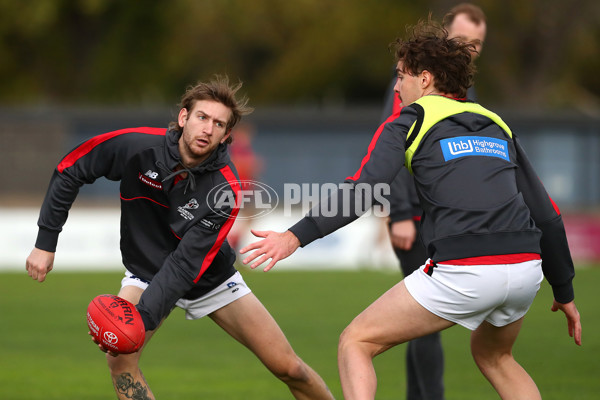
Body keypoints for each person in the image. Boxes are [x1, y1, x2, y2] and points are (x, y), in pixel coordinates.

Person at [240, 18, 582, 400]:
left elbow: (362, 192)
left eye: (401, 76)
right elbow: (547, 214)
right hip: (525, 269)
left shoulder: (408, 120)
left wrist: (293, 236)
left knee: (356, 341)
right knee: (496, 357)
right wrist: (564, 292)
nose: (396, 86)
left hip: (465, 269)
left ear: (424, 79)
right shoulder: (495, 122)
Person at [25, 76, 334, 400]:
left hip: (208, 279)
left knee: (288, 368)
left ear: (227, 135)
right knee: (120, 362)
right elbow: (71, 168)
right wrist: (46, 241)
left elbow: (186, 265)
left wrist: (139, 321)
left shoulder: (225, 188)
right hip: (145, 272)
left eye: (218, 124)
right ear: (184, 117)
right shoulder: (138, 147)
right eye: (202, 117)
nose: (208, 128)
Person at [381, 4, 487, 399]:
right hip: (417, 218)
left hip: (442, 218)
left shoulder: (463, 87)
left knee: (418, 320)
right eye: (462, 41)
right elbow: (392, 149)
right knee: (427, 318)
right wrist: (402, 214)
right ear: (444, 37)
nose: (470, 49)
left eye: (477, 44)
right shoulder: (413, 84)